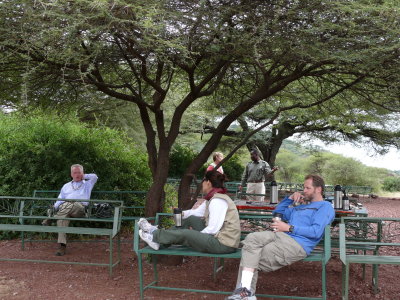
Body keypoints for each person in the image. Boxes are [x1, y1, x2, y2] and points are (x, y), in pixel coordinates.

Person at [226, 174, 335, 300]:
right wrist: (289, 199)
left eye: (307, 188)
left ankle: (244, 293)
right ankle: (245, 293)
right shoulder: (299, 206)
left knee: (250, 257)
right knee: (251, 238)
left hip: (297, 244)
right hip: (281, 236)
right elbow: (277, 213)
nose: (303, 191)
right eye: (303, 188)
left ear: (318, 189)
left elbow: (316, 231)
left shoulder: (325, 207)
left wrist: (289, 228)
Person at [138, 170, 241, 254]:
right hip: (217, 238)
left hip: (224, 244)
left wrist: (194, 236)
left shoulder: (218, 201)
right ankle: (160, 242)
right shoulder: (212, 199)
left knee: (187, 234)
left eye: (203, 182)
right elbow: (195, 213)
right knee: (190, 219)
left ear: (208, 182)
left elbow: (213, 229)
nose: (202, 185)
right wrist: (182, 214)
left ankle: (154, 234)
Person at [42, 164, 98, 256]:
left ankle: (52, 218)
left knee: (70, 203)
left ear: (82, 173)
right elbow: (60, 199)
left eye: (79, 172)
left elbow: (95, 177)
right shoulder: (66, 186)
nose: (77, 175)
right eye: (75, 173)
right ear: (71, 174)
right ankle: (62, 246)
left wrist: (84, 176)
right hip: (65, 209)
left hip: (80, 209)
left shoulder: (88, 184)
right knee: (62, 219)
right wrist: (54, 208)